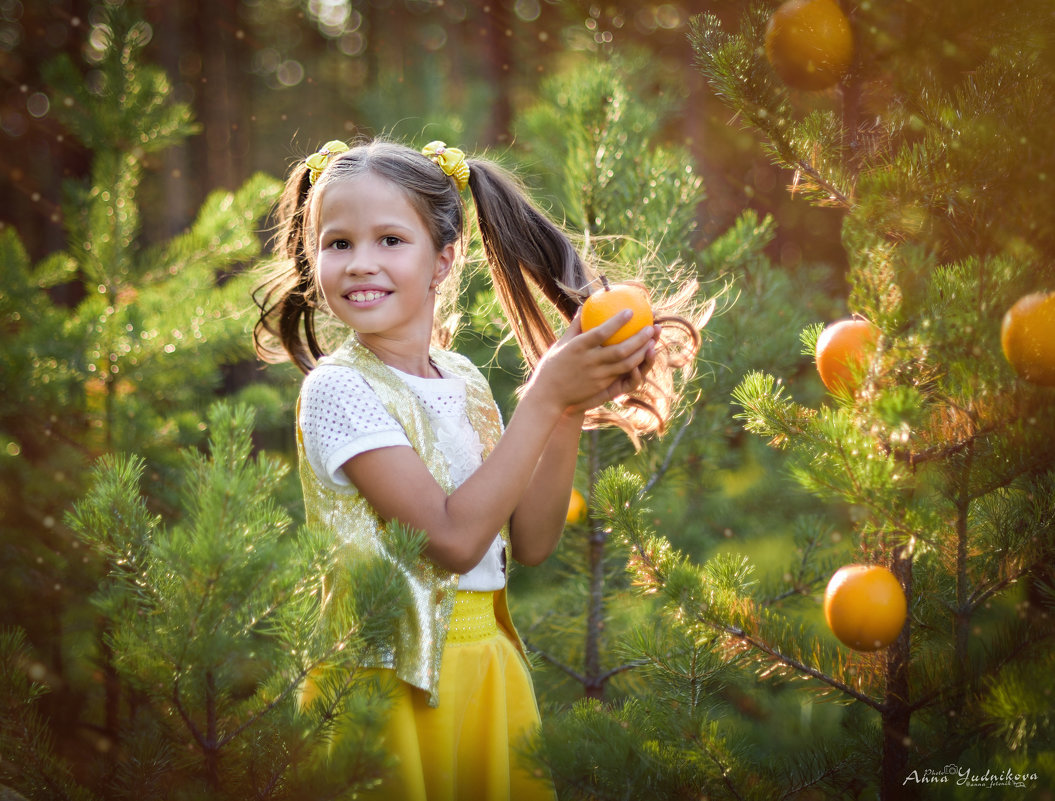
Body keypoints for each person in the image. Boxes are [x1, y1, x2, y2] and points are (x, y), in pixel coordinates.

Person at [253, 136, 704, 800]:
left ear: (443, 259)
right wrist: (546, 391)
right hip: (387, 687)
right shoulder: (338, 389)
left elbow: (531, 539)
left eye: (389, 240)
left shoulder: (461, 379)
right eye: (337, 243)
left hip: (487, 673)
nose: (359, 263)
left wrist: (568, 407)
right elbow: (454, 540)